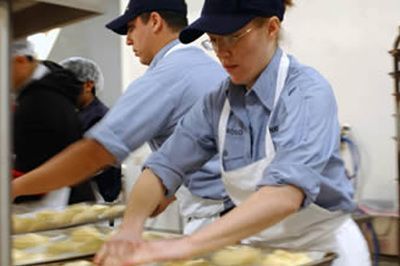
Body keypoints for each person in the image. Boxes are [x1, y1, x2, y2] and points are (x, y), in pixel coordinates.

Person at [94, 0, 371, 265]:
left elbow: (285, 193)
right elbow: (163, 166)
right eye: (214, 40)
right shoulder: (219, 102)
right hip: (260, 251)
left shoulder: (306, 93)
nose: (222, 51)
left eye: (233, 37)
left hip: (323, 249)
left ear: (271, 28)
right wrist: (130, 229)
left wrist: (185, 245)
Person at [12, 0, 231, 233]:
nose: (127, 40)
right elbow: (208, 152)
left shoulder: (165, 77)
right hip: (234, 208)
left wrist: (14, 188)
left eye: (131, 28)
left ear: (155, 21)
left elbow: (96, 153)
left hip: (217, 217)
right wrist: (170, 190)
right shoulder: (204, 66)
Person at [11, 40, 95, 206]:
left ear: (20, 61)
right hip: (59, 198)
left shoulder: (42, 98)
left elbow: (52, 158)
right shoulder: (47, 90)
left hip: (59, 203)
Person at [60, 57, 122, 202]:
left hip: (97, 194)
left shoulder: (99, 117)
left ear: (88, 85)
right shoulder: (78, 114)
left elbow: (95, 162)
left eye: (69, 86)